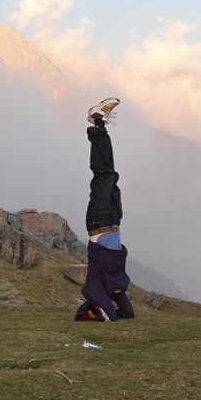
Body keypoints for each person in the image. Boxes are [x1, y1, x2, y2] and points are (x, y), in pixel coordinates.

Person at [74, 97, 135, 322]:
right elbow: (127, 314)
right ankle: (99, 124)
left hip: (98, 223)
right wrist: (115, 298)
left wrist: (93, 317)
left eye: (94, 310)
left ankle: (96, 122)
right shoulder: (113, 287)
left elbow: (111, 315)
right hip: (114, 220)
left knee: (103, 174)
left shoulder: (95, 288)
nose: (100, 309)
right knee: (111, 174)